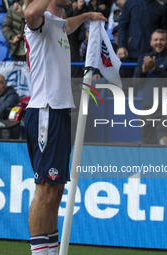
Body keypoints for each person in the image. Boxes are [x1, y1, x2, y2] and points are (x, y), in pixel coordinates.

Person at [23, 0, 106, 253]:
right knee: (45, 187)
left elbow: (67, 25)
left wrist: (87, 15)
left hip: (58, 111)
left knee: (56, 189)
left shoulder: (57, 26)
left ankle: (50, 251)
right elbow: (30, 12)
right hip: (45, 110)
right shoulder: (38, 23)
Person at [133, 29, 167, 145]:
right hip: (147, 108)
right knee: (148, 144)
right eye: (156, 40)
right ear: (151, 42)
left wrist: (154, 69)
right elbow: (135, 83)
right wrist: (144, 71)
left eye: (162, 40)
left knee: (165, 141)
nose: (158, 42)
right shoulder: (143, 58)